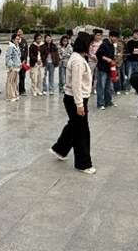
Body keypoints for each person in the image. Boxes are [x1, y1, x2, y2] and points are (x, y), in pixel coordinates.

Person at [50, 32, 96, 175]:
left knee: (74, 126)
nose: (93, 47)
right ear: (84, 45)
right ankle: (83, 164)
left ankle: (60, 149)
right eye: (91, 44)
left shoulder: (79, 58)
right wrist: (79, 105)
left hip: (76, 98)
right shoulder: (77, 61)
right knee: (82, 132)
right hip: (75, 99)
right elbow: (76, 84)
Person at [95, 30, 119, 110]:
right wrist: (108, 59)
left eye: (117, 38)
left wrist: (114, 59)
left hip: (109, 69)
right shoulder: (104, 45)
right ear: (111, 36)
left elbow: (111, 57)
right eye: (115, 37)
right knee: (101, 86)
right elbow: (98, 54)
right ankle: (100, 104)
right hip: (102, 69)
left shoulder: (112, 46)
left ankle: (108, 102)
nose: (116, 39)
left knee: (108, 86)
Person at [5, 34, 22, 102]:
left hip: (17, 67)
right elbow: (8, 57)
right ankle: (10, 96)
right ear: (13, 40)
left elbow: (18, 57)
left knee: (15, 82)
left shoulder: (17, 46)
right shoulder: (11, 47)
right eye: (17, 39)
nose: (18, 40)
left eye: (18, 39)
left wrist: (19, 64)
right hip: (12, 67)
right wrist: (11, 66)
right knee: (10, 82)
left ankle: (15, 95)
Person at [88, 29, 103, 94]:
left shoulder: (102, 43)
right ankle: (88, 88)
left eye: (99, 35)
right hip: (91, 61)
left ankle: (94, 88)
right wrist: (93, 57)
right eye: (97, 35)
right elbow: (89, 52)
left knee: (97, 76)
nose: (98, 37)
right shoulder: (91, 42)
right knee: (90, 75)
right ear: (94, 35)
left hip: (99, 61)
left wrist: (99, 58)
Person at [16, 28, 29, 96]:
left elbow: (26, 51)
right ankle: (15, 90)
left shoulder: (24, 41)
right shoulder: (13, 41)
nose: (20, 33)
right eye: (19, 31)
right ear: (16, 33)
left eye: (21, 31)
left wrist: (24, 60)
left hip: (23, 61)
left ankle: (22, 90)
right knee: (15, 76)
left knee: (22, 76)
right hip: (15, 62)